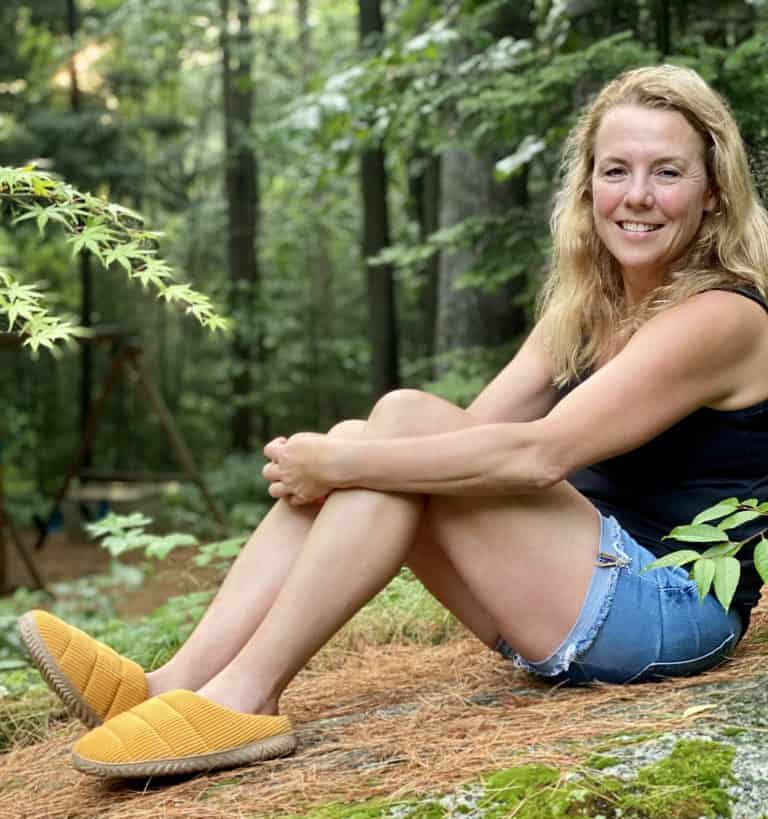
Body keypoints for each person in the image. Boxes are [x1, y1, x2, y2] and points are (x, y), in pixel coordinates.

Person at [19, 64, 768, 779]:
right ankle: (176, 681)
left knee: (381, 439)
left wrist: (339, 467)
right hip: (576, 585)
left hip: (671, 609)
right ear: (587, 187)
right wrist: (350, 457)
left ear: (712, 193)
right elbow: (461, 443)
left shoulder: (721, 315)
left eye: (667, 172)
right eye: (616, 170)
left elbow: (539, 455)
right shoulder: (590, 305)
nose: (637, 195)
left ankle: (244, 696)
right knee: (390, 426)